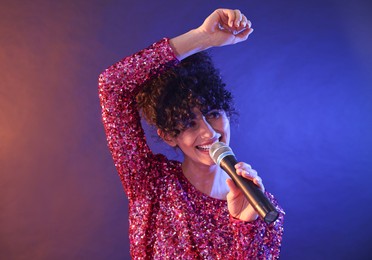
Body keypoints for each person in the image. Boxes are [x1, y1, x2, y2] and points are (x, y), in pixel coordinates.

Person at [98, 8, 284, 259]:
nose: (209, 133)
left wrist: (245, 228)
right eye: (189, 123)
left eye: (213, 113)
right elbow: (112, 84)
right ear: (168, 135)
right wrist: (202, 38)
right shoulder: (151, 183)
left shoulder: (261, 205)